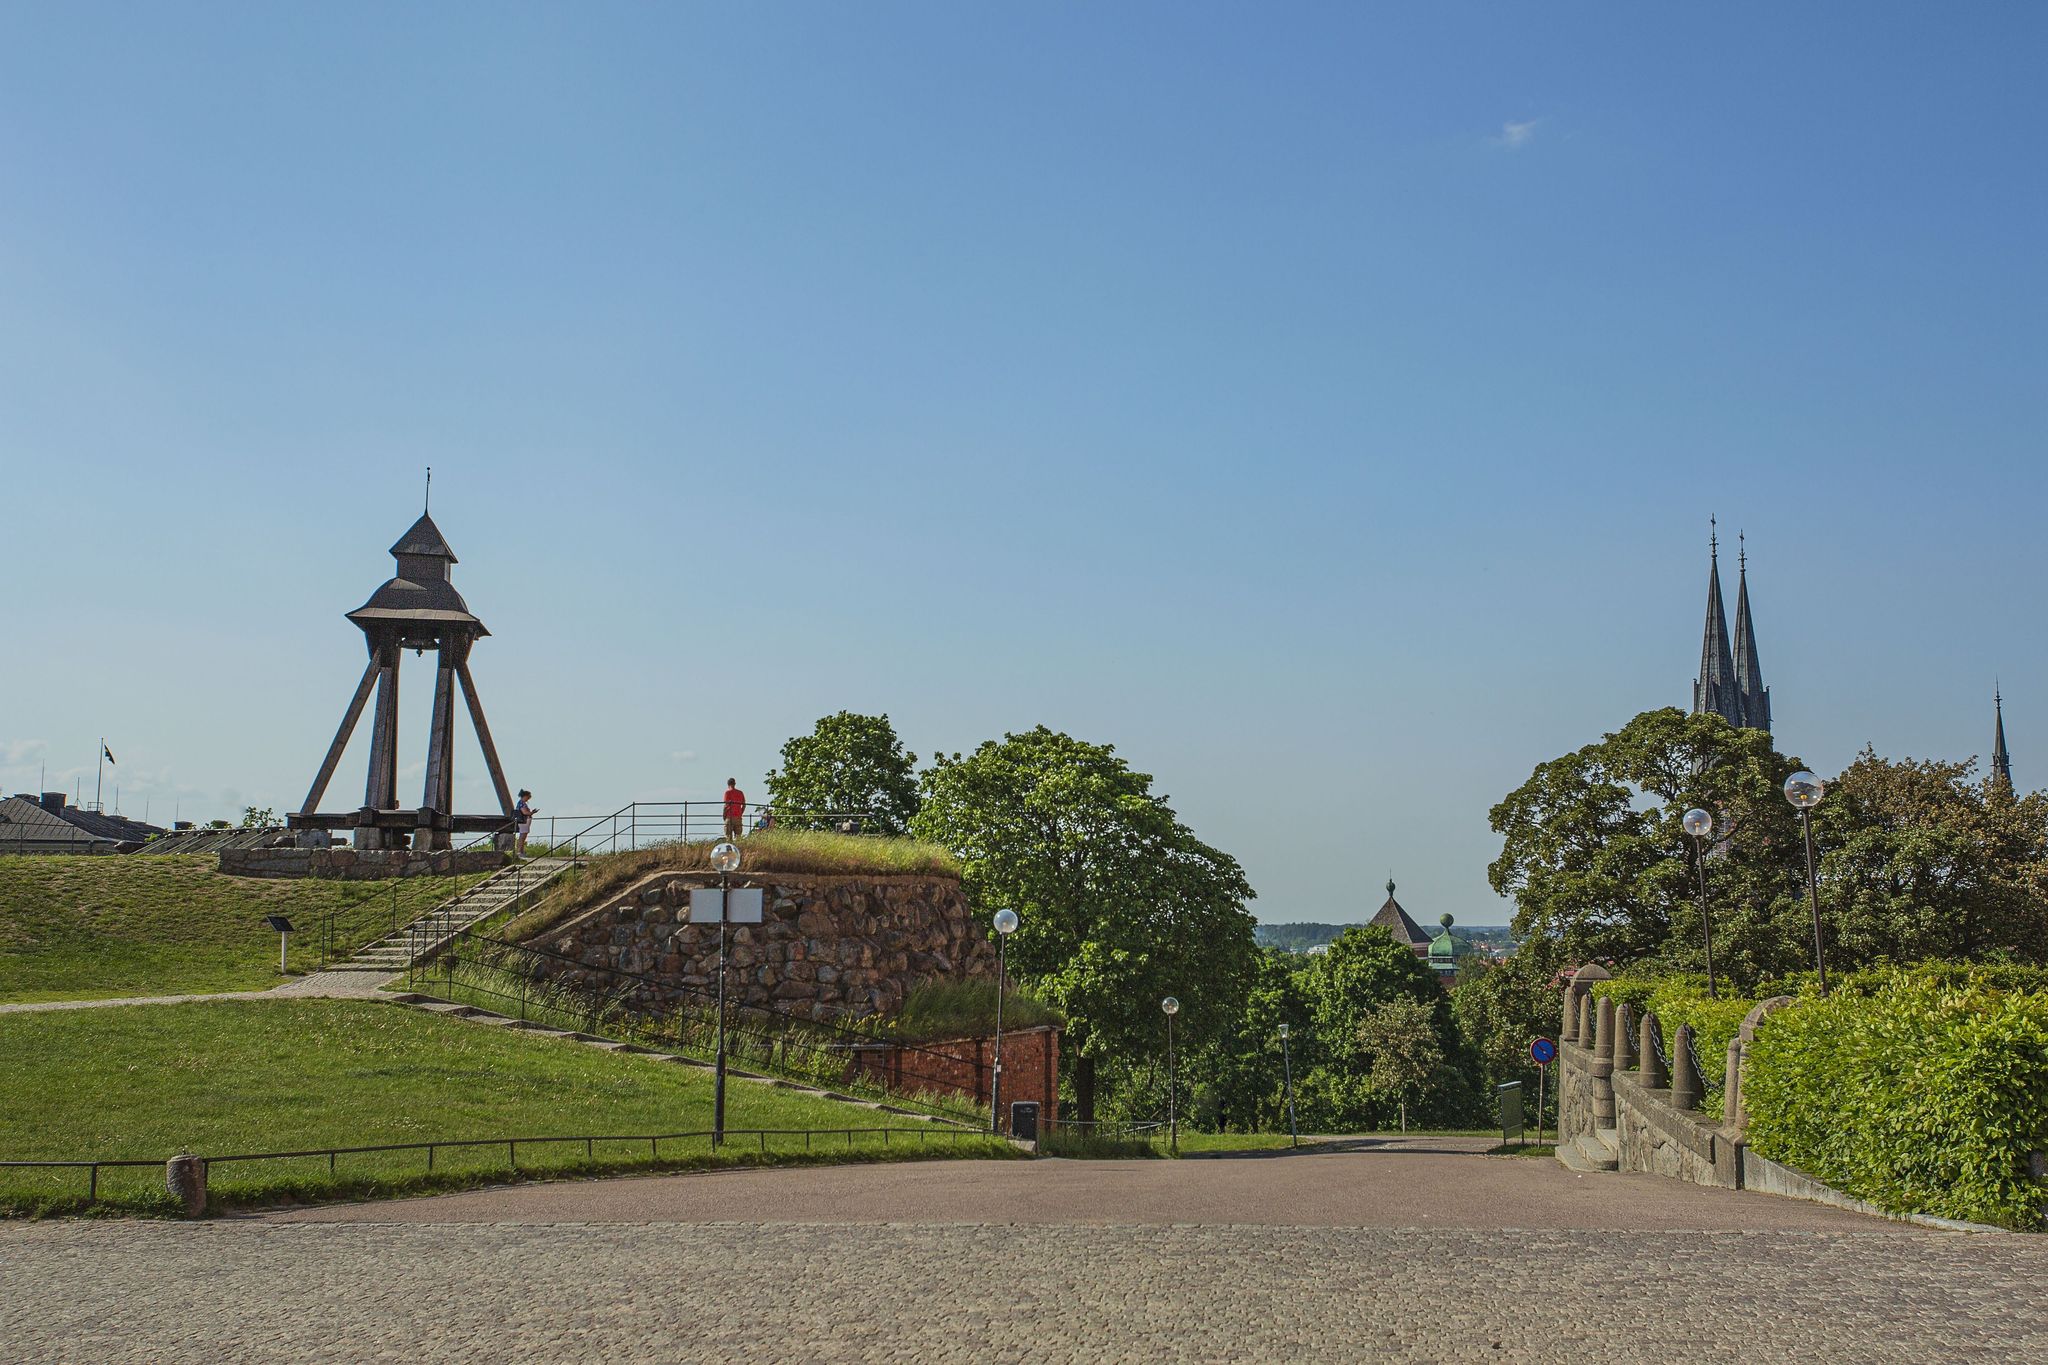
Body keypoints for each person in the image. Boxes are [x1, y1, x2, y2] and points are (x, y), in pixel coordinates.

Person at [514, 789, 536, 857]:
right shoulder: (522, 803)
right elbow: (525, 812)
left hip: (524, 821)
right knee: (522, 837)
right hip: (523, 822)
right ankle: (519, 851)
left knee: (523, 836)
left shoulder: (521, 803)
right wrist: (531, 812)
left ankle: (521, 851)